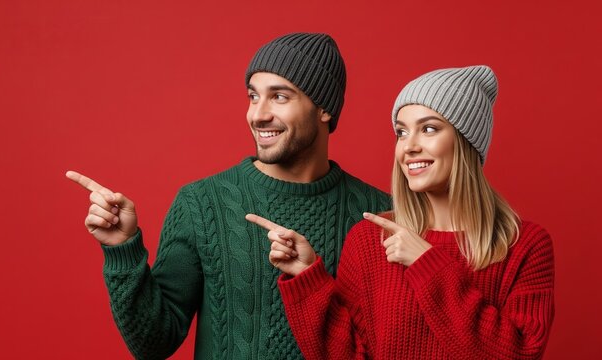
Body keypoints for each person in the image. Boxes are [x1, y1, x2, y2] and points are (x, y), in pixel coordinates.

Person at [66, 32, 392, 359]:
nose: (258, 114)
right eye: (253, 96)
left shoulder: (379, 214)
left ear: (323, 108)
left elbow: (388, 346)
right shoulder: (202, 203)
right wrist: (121, 248)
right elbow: (152, 344)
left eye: (279, 97)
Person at [247, 65, 555, 359]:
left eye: (429, 129)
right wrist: (307, 275)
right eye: (402, 132)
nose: (409, 146)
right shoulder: (370, 240)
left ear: (467, 142)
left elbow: (518, 353)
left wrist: (427, 263)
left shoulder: (524, 245)